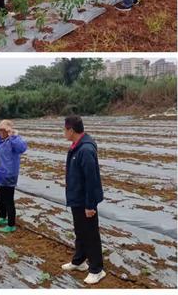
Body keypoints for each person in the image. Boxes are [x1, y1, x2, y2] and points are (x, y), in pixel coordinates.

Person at [62, 115, 106, 285]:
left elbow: (91, 180)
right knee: (80, 231)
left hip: (85, 200)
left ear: (71, 130)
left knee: (90, 234)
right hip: (76, 198)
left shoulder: (85, 149)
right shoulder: (76, 146)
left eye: (64, 129)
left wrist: (90, 205)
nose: (63, 132)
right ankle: (79, 261)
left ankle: (97, 269)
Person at [0, 120, 28, 233]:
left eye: (3, 130)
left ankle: (11, 224)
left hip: (9, 174)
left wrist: (12, 135)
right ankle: (2, 217)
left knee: (8, 200)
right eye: (0, 130)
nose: (1, 132)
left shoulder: (14, 140)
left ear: (8, 130)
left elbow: (22, 148)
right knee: (0, 197)